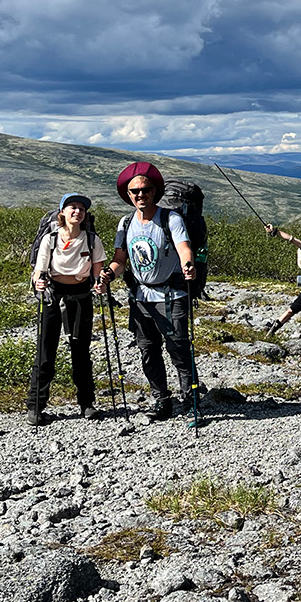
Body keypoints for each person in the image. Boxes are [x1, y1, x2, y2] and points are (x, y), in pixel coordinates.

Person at [96, 162, 199, 423]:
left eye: (145, 189)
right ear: (128, 195)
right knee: (148, 350)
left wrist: (188, 264)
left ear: (155, 191)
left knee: (178, 349)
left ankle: (191, 402)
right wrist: (109, 274)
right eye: (135, 191)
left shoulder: (170, 219)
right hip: (141, 298)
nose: (140, 195)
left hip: (171, 295)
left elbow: (184, 247)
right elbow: (120, 260)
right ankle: (162, 400)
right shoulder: (125, 222)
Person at [27, 193, 106, 426]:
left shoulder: (92, 241)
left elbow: (98, 273)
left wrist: (100, 283)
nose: (77, 211)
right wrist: (38, 282)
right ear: (62, 212)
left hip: (81, 297)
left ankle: (87, 404)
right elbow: (38, 271)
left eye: (81, 208)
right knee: (45, 352)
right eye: (72, 207)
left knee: (80, 352)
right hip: (53, 296)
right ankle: (36, 407)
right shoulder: (50, 239)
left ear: (85, 215)